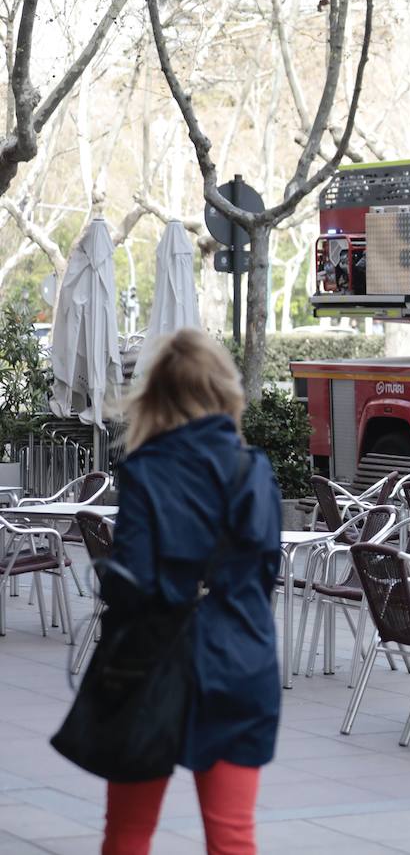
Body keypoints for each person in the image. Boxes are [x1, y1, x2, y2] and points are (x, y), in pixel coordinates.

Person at [102, 329, 283, 855]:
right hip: (238, 661)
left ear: (157, 395)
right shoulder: (254, 471)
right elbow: (264, 575)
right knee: (231, 837)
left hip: (152, 667)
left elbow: (130, 581)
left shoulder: (143, 471)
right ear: (225, 391)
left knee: (128, 835)